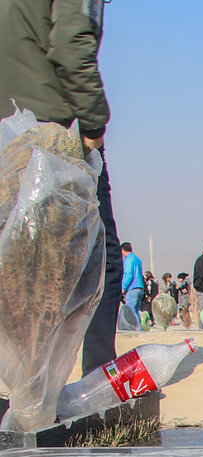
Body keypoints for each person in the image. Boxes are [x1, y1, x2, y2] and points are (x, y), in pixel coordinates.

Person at [1, 0, 120, 372]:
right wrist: (95, 122)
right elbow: (72, 44)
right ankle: (97, 378)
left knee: (14, 262)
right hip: (51, 134)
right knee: (100, 258)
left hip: (9, 127)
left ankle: (14, 390)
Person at [119, 242, 145, 322]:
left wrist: (123, 287)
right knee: (136, 310)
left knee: (131, 311)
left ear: (122, 250)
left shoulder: (128, 260)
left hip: (132, 288)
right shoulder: (137, 259)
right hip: (140, 287)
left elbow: (128, 274)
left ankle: (136, 329)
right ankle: (139, 328)